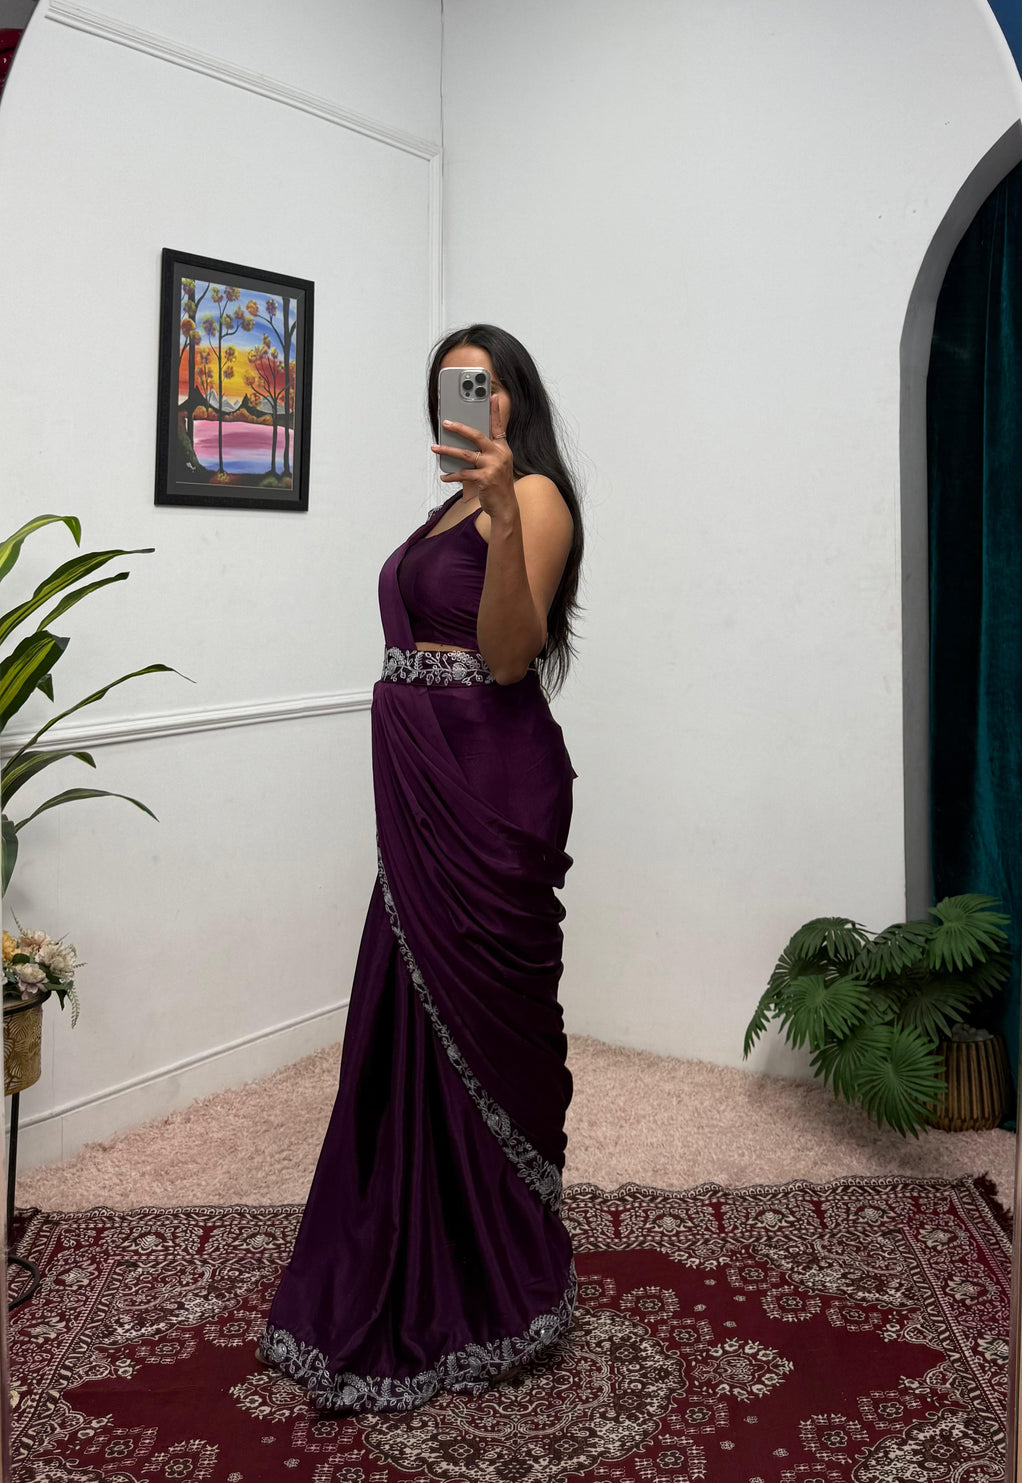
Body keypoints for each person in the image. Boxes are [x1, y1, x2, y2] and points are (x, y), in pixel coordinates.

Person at [256, 323, 584, 1413]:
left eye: (481, 383)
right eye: (448, 384)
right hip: (420, 787)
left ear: (512, 397)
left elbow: (501, 656)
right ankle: (393, 1237)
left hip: (487, 783)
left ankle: (488, 1271)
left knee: (480, 1014)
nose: (462, 401)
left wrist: (496, 516)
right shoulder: (438, 509)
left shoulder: (530, 497)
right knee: (398, 1015)